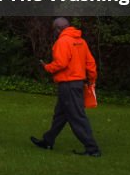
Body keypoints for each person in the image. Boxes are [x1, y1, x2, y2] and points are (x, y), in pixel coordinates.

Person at [30, 17, 101, 157]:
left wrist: (47, 67)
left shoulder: (62, 41)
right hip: (77, 84)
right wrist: (91, 79)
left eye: (54, 30)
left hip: (68, 84)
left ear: (57, 29)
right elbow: (91, 63)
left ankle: (92, 149)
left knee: (77, 117)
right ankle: (48, 141)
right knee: (60, 116)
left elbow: (61, 63)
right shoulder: (81, 41)